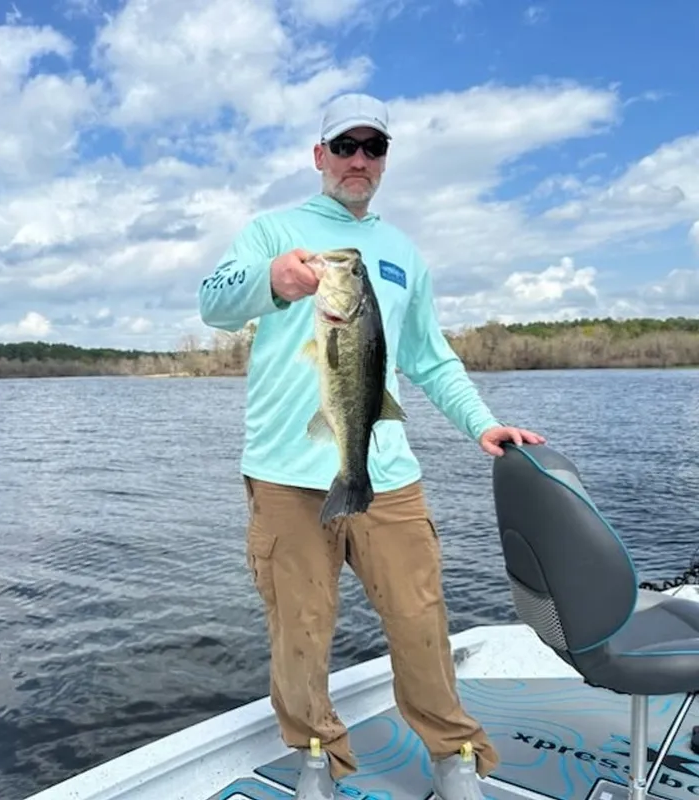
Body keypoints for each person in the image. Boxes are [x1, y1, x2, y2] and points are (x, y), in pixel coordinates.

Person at [198, 92, 545, 799]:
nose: (358, 159)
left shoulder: (403, 254)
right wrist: (272, 281)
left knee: (421, 620)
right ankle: (317, 755)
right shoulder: (271, 230)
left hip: (383, 471)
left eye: (373, 148)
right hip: (285, 476)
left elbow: (430, 358)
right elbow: (214, 301)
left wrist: (481, 422)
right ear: (319, 155)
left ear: (384, 160)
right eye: (345, 146)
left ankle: (454, 754)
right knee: (300, 631)